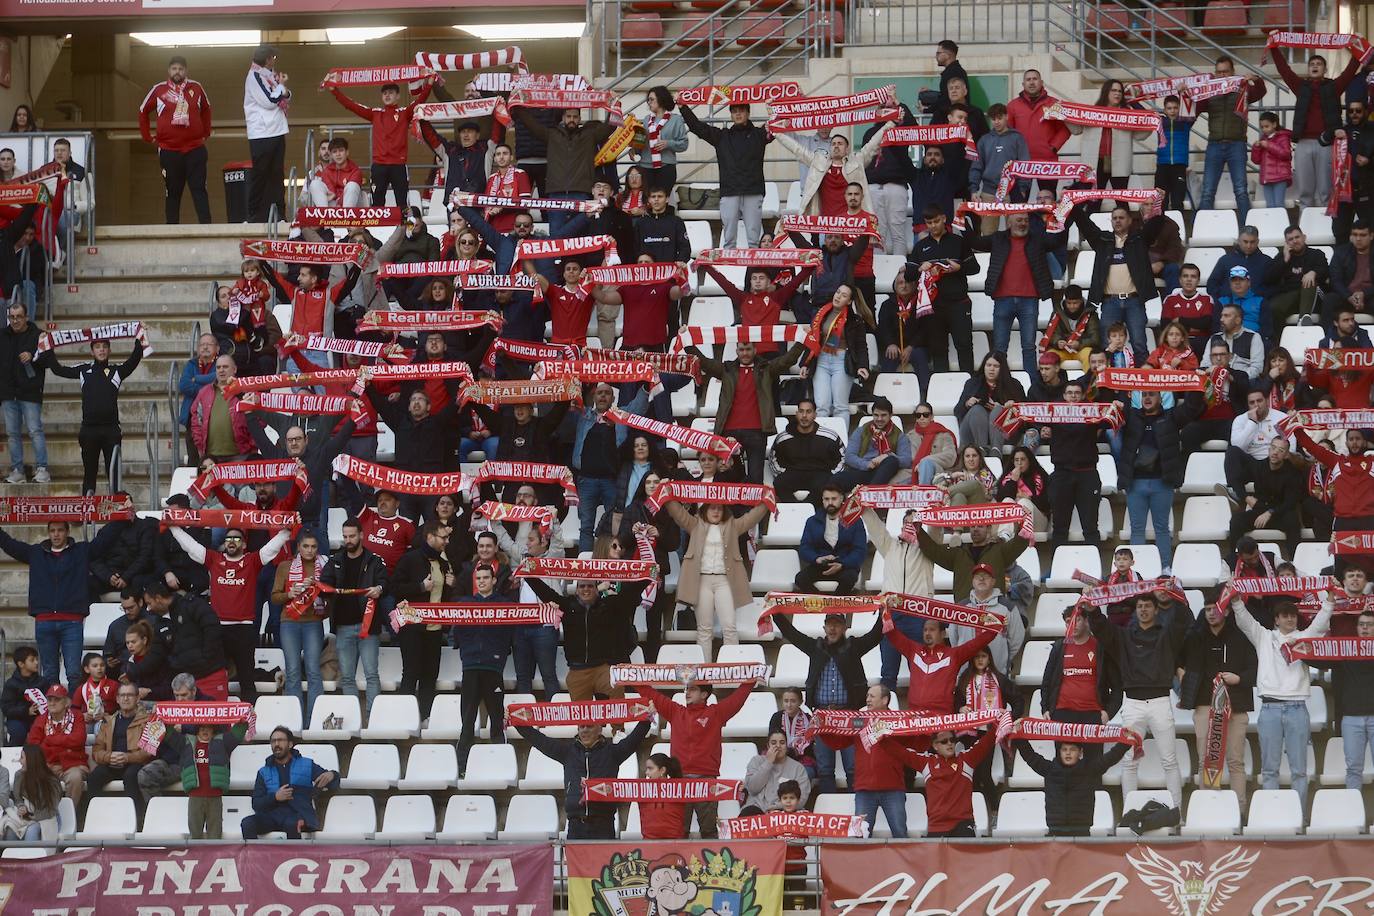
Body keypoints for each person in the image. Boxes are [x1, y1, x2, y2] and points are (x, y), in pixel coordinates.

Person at [1086, 593, 1190, 810]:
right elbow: (1102, 629)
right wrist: (1093, 609)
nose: (1143, 610)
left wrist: (1176, 595)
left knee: (1169, 761)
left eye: (1148, 606)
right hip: (1133, 704)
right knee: (1129, 762)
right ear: (1135, 611)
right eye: (1140, 606)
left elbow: (1182, 620)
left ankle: (1177, 814)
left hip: (1160, 702)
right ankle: (1128, 812)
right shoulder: (1124, 637)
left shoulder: (1167, 635)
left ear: (1156, 610)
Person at [169, 523, 289, 704]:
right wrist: (173, 528)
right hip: (217, 630)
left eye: (236, 538)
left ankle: (249, 724)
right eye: (228, 538)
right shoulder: (214, 559)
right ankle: (217, 722)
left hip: (244, 629)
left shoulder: (252, 561)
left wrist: (287, 531)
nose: (232, 542)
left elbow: (271, 548)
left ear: (244, 544)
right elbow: (191, 547)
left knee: (246, 681)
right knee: (217, 679)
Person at [1228, 595, 1333, 801]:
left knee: (1299, 770)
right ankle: (1271, 816)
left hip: (1297, 708)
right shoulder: (1264, 637)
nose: (1290, 619)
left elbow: (1320, 624)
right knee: (1269, 769)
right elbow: (1244, 620)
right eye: (1285, 616)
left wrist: (1330, 602)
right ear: (1276, 619)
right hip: (1270, 709)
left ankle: (1299, 818)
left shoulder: (1304, 637)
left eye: (1293, 616)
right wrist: (1236, 600)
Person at [0, 518, 120, 690]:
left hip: (72, 621)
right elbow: (9, 544)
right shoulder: (35, 553)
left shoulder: (81, 551)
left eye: (60, 530)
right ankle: (54, 714)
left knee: (73, 672)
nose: (56, 534)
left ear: (67, 532)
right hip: (44, 620)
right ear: (48, 533)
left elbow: (104, 541)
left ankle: (74, 713)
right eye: (52, 531)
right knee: (49, 673)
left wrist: (120, 518)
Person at [771, 612, 883, 794]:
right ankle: (829, 811)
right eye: (829, 624)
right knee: (824, 770)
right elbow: (791, 633)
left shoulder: (853, 646)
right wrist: (775, 612)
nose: (832, 628)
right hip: (822, 716)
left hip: (849, 715)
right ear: (824, 628)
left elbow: (876, 635)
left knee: (853, 769)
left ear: (845, 627)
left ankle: (855, 812)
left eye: (837, 624)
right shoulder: (815, 646)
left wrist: (885, 612)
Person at [637, 676, 759, 839]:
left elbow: (737, 699)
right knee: (679, 832)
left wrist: (750, 681)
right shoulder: (675, 711)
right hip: (680, 782)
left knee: (709, 832)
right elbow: (652, 694)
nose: (687, 692)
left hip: (706, 781)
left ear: (704, 694)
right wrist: (631, 679)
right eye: (687, 689)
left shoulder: (716, 713)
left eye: (693, 689)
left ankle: (712, 865)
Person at [662, 493, 770, 660]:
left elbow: (751, 518)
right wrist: (667, 496)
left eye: (719, 507)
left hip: (724, 581)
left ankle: (731, 671)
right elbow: (678, 513)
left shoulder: (732, 525)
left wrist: (766, 501)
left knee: (729, 627)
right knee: (704, 630)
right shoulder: (695, 524)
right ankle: (704, 676)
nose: (716, 511)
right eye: (712, 507)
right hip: (702, 581)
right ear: (705, 509)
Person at [692, 342, 808, 485]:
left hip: (757, 432)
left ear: (755, 350)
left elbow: (788, 359)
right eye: (741, 349)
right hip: (729, 434)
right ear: (736, 351)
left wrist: (803, 341)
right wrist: (687, 343)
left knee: (756, 480)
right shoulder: (726, 369)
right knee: (730, 478)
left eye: (748, 349)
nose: (745, 353)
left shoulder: (766, 368)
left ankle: (752, 508)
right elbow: (703, 362)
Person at [516, 717, 651, 839]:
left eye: (589, 726)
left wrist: (647, 717)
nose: (585, 730)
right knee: (575, 867)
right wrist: (517, 722)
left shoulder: (612, 753)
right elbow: (539, 740)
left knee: (602, 867)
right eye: (581, 726)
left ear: (600, 728)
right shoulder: (567, 752)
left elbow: (635, 738)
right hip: (575, 826)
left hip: (603, 825)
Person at [42, 336, 144, 495]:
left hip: (111, 431)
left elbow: (135, 358)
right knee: (89, 475)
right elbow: (58, 369)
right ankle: (87, 517)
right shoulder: (83, 370)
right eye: (97, 347)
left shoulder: (117, 371)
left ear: (109, 350)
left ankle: (116, 515)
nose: (101, 349)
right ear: (92, 351)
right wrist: (48, 347)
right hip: (89, 431)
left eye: (104, 346)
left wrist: (139, 336)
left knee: (114, 476)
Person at [1178, 603, 1257, 806]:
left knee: (1235, 761)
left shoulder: (1241, 637)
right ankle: (1207, 809)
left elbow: (1255, 668)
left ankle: (1239, 812)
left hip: (1236, 707)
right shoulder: (1195, 637)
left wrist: (1238, 678)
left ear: (1227, 611)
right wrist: (1181, 675)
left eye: (1216, 608)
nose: (1211, 613)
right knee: (1206, 760)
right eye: (1207, 609)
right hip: (1205, 706)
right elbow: (1176, 659)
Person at [1273, 44, 1364, 207]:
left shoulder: (1334, 87)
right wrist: (1273, 47)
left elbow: (1350, 70)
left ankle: (1325, 224)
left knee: (1325, 191)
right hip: (1303, 144)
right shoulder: (1300, 86)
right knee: (1305, 191)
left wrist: (1357, 47)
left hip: (1326, 143)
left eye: (1319, 64)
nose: (1315, 66)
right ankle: (1304, 226)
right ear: (1308, 69)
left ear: (1325, 70)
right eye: (1312, 64)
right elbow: (1284, 70)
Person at [821, 684, 916, 836]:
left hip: (893, 788)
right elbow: (838, 743)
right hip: (864, 789)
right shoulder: (859, 721)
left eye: (872, 696)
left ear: (885, 700)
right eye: (867, 696)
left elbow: (917, 744)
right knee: (860, 836)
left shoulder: (899, 722)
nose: (867, 700)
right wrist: (823, 730)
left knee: (900, 834)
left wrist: (921, 725)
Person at [971, 212, 1059, 372]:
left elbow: (1056, 241)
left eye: (1026, 220)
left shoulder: (1037, 239)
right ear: (1009, 222)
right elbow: (975, 242)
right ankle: (1000, 385)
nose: (1023, 223)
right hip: (1002, 299)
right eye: (1019, 220)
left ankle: (1031, 387)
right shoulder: (998, 238)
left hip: (1029, 300)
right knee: (1000, 348)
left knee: (1028, 346)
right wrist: (965, 220)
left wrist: (1058, 217)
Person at [1118, 388, 1194, 572]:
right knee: (1137, 528)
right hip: (1135, 482)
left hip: (1162, 481)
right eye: (1144, 395)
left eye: (1152, 394)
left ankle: (1164, 567)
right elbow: (1113, 412)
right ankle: (1138, 570)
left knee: (1161, 528)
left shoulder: (1171, 417)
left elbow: (1192, 408)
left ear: (1161, 397)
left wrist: (1197, 387)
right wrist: (1118, 402)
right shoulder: (1131, 416)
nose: (1147, 398)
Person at [1071, 205, 1156, 363]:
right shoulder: (1102, 240)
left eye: (1121, 217)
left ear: (1130, 220)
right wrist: (1073, 204)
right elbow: (1085, 224)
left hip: (1134, 301)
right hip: (1110, 302)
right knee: (1107, 345)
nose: (1117, 221)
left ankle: (1142, 385)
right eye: (1115, 218)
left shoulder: (1139, 239)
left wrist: (1158, 203)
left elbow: (1155, 224)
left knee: (1139, 344)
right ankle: (1108, 384)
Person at [511, 106, 616, 234]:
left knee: (580, 235)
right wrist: (517, 106)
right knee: (556, 235)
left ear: (579, 119)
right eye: (569, 116)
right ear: (563, 118)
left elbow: (610, 126)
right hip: (556, 193)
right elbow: (531, 125)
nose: (572, 119)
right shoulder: (551, 134)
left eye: (575, 117)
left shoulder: (589, 135)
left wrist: (614, 106)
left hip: (581, 192)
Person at [330, 77, 433, 208]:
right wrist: (334, 90)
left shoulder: (405, 113)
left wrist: (429, 83)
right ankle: (375, 229)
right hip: (379, 166)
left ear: (398, 96)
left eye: (391, 92)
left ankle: (405, 227)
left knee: (403, 205)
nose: (387, 95)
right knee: (377, 204)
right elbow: (351, 105)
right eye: (384, 93)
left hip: (399, 165)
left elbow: (420, 101)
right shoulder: (375, 113)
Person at [680, 101, 769, 247]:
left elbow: (779, 125)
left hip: (753, 190)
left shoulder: (759, 134)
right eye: (734, 111)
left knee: (754, 240)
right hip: (729, 192)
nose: (738, 114)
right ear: (731, 115)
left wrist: (791, 101)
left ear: (748, 113)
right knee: (729, 240)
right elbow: (697, 127)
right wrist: (683, 107)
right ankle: (728, 268)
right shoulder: (722, 136)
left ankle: (755, 269)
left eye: (741, 110)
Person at [390, 521, 455, 721]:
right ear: (429, 537)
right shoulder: (410, 559)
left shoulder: (444, 564)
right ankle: (403, 718)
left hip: (434, 630)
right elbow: (395, 588)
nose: (447, 541)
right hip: (412, 628)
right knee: (411, 673)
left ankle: (425, 717)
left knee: (430, 675)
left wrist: (451, 586)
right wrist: (419, 587)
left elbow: (444, 597)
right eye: (443, 537)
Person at [1013, 730, 1132, 836]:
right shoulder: (1049, 769)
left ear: (1080, 753)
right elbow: (1030, 756)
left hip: (1082, 832)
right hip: (1055, 832)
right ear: (1059, 752)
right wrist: (1017, 736)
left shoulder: (1089, 770)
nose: (1068, 753)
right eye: (1064, 750)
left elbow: (1110, 758)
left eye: (1072, 750)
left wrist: (1125, 742)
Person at [139, 55, 213, 224]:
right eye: (174, 69)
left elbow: (207, 109)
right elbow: (143, 111)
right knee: (172, 191)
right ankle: (171, 228)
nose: (177, 72)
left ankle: (207, 227)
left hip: (195, 149)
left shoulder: (196, 87)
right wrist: (146, 136)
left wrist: (206, 132)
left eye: (180, 69)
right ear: (169, 71)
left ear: (186, 71)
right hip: (169, 150)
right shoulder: (159, 90)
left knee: (199, 188)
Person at [86, 682, 179, 815]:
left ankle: (137, 820)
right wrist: (109, 757)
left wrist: (127, 757)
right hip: (112, 762)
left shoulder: (150, 719)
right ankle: (96, 817)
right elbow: (97, 750)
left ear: (137, 698)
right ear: (117, 699)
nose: (125, 698)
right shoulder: (109, 721)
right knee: (93, 778)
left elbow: (150, 750)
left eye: (130, 695)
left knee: (131, 776)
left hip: (137, 763)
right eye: (122, 695)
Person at [1040, 603, 1121, 749]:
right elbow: (1047, 682)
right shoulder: (1059, 647)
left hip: (1092, 714)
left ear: (1086, 621)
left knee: (1093, 765)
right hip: (1062, 713)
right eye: (1068, 621)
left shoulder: (1100, 647)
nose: (1072, 624)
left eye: (1077, 620)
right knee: (1064, 764)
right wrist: (1045, 708)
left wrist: (1109, 713)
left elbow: (1116, 686)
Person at [909, 206, 980, 372]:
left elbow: (975, 268)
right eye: (929, 222)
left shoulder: (958, 242)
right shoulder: (920, 246)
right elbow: (908, 275)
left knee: (964, 345)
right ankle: (941, 389)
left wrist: (959, 268)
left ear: (944, 219)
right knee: (938, 348)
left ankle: (969, 387)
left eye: (936, 221)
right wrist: (920, 268)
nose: (933, 226)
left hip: (958, 303)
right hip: (933, 306)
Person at [775, 122, 893, 215]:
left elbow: (872, 145)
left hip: (850, 222)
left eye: (840, 144)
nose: (836, 146)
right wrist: (776, 132)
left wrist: (890, 124)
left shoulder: (857, 161)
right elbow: (796, 149)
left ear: (847, 149)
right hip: (825, 223)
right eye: (833, 144)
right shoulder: (818, 162)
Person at [271, 531, 329, 723]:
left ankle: (314, 720)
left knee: (313, 670)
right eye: (306, 546)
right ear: (298, 547)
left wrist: (318, 590)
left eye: (313, 547)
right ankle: (293, 721)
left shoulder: (324, 566)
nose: (310, 550)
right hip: (289, 621)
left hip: (313, 621)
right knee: (293, 670)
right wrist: (291, 593)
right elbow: (274, 596)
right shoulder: (285, 566)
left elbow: (331, 596)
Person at [1199, 56, 1267, 217]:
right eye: (1219, 72)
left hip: (1237, 144)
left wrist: (1255, 80)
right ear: (1215, 73)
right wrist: (1187, 93)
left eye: (1226, 71)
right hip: (1214, 144)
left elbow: (1261, 91)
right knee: (1207, 191)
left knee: (1241, 190)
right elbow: (1197, 106)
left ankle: (1247, 231)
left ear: (1233, 72)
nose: (1222, 75)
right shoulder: (1209, 92)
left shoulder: (1242, 89)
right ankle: (1203, 230)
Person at [241, 726, 336, 839]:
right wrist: (275, 797)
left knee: (292, 824)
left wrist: (332, 774)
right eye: (273, 741)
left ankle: (296, 857)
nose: (276, 744)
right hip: (272, 816)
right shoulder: (263, 772)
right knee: (247, 823)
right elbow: (256, 803)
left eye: (280, 740)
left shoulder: (306, 765)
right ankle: (256, 856)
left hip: (298, 815)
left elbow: (331, 782)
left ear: (290, 744)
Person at [1315, 610, 1374, 789]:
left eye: (1370, 625)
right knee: (1353, 770)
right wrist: (1297, 647)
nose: (1365, 628)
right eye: (1362, 624)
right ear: (1356, 627)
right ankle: (1353, 809)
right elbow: (1318, 659)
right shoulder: (1345, 649)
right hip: (1351, 718)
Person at [1227, 437, 1305, 551]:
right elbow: (1236, 480)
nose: (1275, 452)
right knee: (1236, 520)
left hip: (1280, 513)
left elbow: (1290, 502)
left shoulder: (1292, 473)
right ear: (1269, 449)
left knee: (1292, 520)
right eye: (1273, 448)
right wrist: (1246, 497)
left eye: (1281, 450)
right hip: (1259, 510)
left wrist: (1270, 512)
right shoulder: (1258, 466)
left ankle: (1294, 561)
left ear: (1286, 454)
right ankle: (1234, 559)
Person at [0, 301, 48, 483]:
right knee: (12, 434)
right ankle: (17, 470)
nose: (15, 320)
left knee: (35, 430)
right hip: (8, 393)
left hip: (30, 392)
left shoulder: (38, 335)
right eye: (12, 317)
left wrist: (33, 356)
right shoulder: (2, 335)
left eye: (19, 316)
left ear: (26, 317)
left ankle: (42, 469)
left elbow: (48, 360)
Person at [243, 45, 291, 222]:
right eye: (274, 58)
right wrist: (282, 88)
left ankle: (280, 214)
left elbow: (284, 95)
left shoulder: (269, 75)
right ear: (268, 58)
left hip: (277, 130)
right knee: (260, 173)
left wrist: (283, 89)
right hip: (262, 133)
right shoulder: (254, 76)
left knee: (277, 174)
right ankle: (253, 214)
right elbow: (270, 100)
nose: (275, 61)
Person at [1221, 387, 1290, 506]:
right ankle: (1239, 495)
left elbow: (1290, 447)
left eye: (1259, 401)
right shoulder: (1240, 420)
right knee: (1232, 452)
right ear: (1248, 405)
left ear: (1267, 401)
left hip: (1273, 464)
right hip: (1252, 464)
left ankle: (1241, 496)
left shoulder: (1281, 418)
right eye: (1252, 402)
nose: (1256, 405)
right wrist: (1252, 422)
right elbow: (1238, 446)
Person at [795, 484, 867, 596]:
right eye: (826, 499)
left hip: (844, 565)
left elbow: (860, 550)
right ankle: (823, 605)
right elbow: (805, 547)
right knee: (800, 579)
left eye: (834, 499)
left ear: (842, 499)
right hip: (821, 565)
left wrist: (842, 564)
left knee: (849, 579)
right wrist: (817, 559)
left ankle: (835, 610)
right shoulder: (812, 521)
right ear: (822, 500)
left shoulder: (855, 521)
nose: (830, 503)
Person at [768, 399, 844, 501]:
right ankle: (795, 509)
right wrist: (781, 472)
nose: (804, 415)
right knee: (779, 483)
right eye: (801, 411)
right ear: (796, 414)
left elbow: (842, 457)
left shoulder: (830, 436)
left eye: (808, 412)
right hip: (793, 473)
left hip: (820, 473)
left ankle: (809, 510)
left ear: (815, 415)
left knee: (826, 484)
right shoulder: (783, 437)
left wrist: (832, 475)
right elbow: (773, 458)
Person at [179, 720, 240, 840]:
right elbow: (168, 735)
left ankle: (214, 858)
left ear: (214, 729)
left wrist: (244, 718)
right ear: (197, 729)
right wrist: (160, 718)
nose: (205, 730)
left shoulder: (222, 742)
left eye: (208, 727)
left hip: (215, 797)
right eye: (202, 728)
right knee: (195, 835)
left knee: (215, 834)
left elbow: (238, 733)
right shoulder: (186, 742)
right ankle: (195, 857)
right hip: (195, 796)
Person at [27, 685, 87, 806]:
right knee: (34, 775)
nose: (52, 703)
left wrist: (49, 740)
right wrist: (51, 760)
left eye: (57, 699)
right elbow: (33, 746)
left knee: (75, 777)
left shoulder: (77, 716)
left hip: (72, 764)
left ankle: (71, 814)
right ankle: (46, 814)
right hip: (47, 764)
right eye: (49, 700)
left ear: (66, 702)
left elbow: (78, 740)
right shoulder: (41, 719)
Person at [956, 352, 1025, 454]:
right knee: (977, 409)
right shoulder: (972, 383)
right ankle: (981, 450)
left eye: (996, 366)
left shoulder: (1014, 384)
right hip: (973, 430)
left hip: (1003, 433)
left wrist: (1014, 405)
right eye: (988, 365)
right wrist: (967, 403)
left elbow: (1025, 413)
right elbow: (958, 411)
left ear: (1002, 368)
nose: (991, 369)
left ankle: (995, 451)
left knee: (998, 410)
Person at [836, 398, 910, 490]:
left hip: (886, 472)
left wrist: (886, 456)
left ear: (891, 415)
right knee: (837, 478)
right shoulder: (862, 431)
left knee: (891, 460)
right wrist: (867, 464)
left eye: (883, 415)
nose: (879, 419)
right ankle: (872, 488)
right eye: (876, 415)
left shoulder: (899, 435)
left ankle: (870, 491)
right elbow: (849, 456)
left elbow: (906, 460)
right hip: (864, 470)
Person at [1006, 70, 1070, 177]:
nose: (1031, 82)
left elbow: (1065, 129)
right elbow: (1007, 131)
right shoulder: (1013, 106)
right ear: (1023, 84)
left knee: (1047, 194)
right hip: (1021, 161)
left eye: (1035, 79)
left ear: (1041, 82)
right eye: (1028, 79)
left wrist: (1053, 147)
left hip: (1047, 161)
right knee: (1021, 194)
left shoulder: (1054, 104)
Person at [1265, 225, 1329, 329]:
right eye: (1290, 239)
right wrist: (1285, 260)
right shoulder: (1282, 256)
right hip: (1291, 295)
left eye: (1297, 237)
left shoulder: (1316, 254)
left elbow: (1326, 271)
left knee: (1308, 282)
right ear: (1286, 243)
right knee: (1273, 307)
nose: (1294, 241)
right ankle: (1280, 340)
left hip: (1314, 296)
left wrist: (1314, 272)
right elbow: (1269, 278)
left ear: (1304, 237)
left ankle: (1303, 321)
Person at [739, 730, 812, 814]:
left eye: (782, 743)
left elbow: (801, 799)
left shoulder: (798, 768)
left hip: (784, 812)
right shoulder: (756, 761)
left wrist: (775, 808)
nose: (778, 746)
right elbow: (752, 789)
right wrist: (768, 763)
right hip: (756, 810)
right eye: (773, 743)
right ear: (768, 746)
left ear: (786, 746)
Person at [1, 745, 61, 840]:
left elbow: (51, 809)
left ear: (32, 760)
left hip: (47, 817)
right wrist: (21, 806)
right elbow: (18, 799)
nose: (20, 762)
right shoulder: (19, 775)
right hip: (26, 817)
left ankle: (36, 855)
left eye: (22, 758)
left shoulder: (51, 780)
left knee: (31, 832)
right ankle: (12, 855)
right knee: (10, 831)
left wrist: (32, 816)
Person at [1207, 227, 1274, 304]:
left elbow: (1274, 287)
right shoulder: (1225, 260)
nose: (1249, 246)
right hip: (1229, 307)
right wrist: (1224, 299)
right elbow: (1211, 285)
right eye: (1245, 242)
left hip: (1256, 308)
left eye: (1252, 242)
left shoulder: (1266, 261)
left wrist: (1260, 300)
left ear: (1257, 241)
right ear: (1239, 241)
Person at [1328, 221, 1374, 326]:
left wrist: (1364, 294)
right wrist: (1348, 296)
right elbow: (1335, 280)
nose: (1358, 239)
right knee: (1330, 299)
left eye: (1363, 235)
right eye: (1355, 235)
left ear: (1371, 236)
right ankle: (1328, 339)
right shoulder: (1341, 252)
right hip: (1347, 296)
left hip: (1370, 296)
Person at [2, 646, 51, 746]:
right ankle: (14, 756)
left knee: (44, 731)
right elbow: (6, 708)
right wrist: (26, 711)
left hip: (40, 718)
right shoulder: (11, 684)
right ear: (21, 664)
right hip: (17, 719)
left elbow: (50, 700)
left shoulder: (43, 681)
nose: (36, 662)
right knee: (18, 732)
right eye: (32, 660)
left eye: (37, 659)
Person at [1202, 304, 1265, 380]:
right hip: (1216, 381)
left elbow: (1257, 369)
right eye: (1221, 316)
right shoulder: (1214, 338)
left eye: (1226, 316)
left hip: (1244, 384)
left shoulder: (1253, 337)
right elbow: (1205, 365)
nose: (1221, 319)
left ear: (1237, 320)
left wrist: (1236, 379)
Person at [1154, 96, 1193, 212]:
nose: (1172, 111)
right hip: (1162, 166)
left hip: (1179, 166)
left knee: (1177, 201)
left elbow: (1196, 105)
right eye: (1169, 108)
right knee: (1161, 202)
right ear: (1165, 110)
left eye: (1175, 108)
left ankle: (1178, 229)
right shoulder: (1159, 122)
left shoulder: (1186, 122)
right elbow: (1142, 112)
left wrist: (1184, 94)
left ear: (1180, 109)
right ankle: (1160, 229)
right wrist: (1131, 97)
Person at [1253, 110, 1294, 209]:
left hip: (1280, 177)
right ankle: (1272, 224)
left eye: (1267, 126)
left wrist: (1269, 145)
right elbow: (1256, 160)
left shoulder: (1283, 137)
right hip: (1267, 178)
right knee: (1270, 206)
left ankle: (1281, 224)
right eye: (1262, 127)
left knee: (1279, 205)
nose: (1264, 129)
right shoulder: (1264, 139)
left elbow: (1286, 154)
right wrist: (1256, 148)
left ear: (1274, 124)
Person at [639, 753, 686, 840]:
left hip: (674, 842)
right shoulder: (641, 789)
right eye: (647, 769)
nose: (646, 772)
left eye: (650, 768)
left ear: (662, 770)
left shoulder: (681, 788)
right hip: (649, 842)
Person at [308, 137, 363, 208]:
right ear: (331, 155)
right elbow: (330, 189)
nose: (338, 154)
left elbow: (352, 192)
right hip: (334, 205)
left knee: (352, 185)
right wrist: (333, 194)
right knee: (315, 183)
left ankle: (346, 218)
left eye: (341, 150)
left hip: (351, 207)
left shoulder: (355, 171)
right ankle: (324, 215)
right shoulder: (328, 170)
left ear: (347, 152)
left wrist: (339, 203)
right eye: (334, 152)